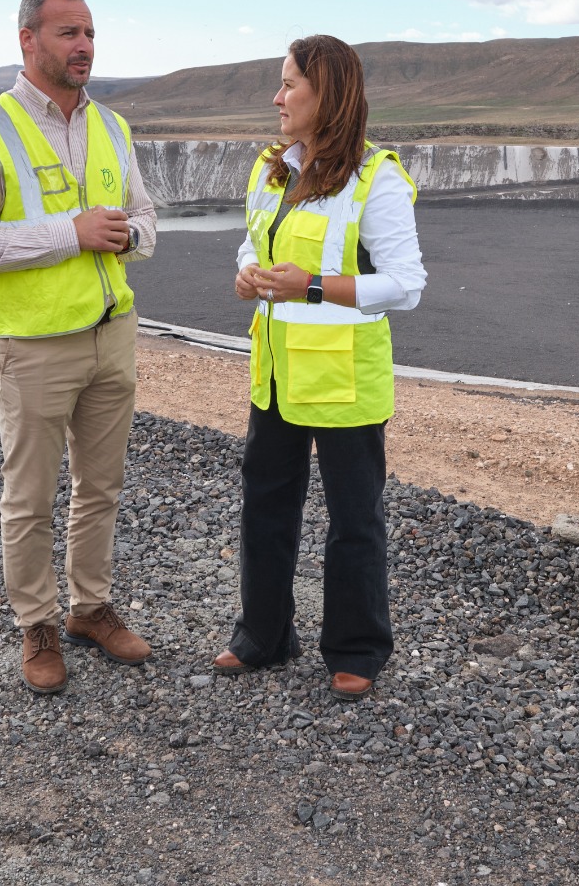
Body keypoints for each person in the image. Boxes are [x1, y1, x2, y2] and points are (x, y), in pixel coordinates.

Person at [0, 0, 158, 695]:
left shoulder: (113, 126)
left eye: (90, 32)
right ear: (27, 40)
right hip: (30, 347)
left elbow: (146, 222)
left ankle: (89, 609)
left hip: (110, 334)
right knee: (29, 496)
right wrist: (72, 233)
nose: (85, 46)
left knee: (102, 486)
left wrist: (128, 235)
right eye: (68, 33)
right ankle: (35, 624)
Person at [213, 35, 427, 701]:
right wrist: (248, 274)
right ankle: (264, 637)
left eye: (289, 85)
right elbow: (255, 238)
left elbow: (407, 284)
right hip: (276, 373)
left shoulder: (376, 180)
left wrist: (311, 286)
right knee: (266, 504)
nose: (277, 98)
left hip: (344, 379)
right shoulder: (272, 169)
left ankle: (357, 648)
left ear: (326, 94)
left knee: (352, 518)